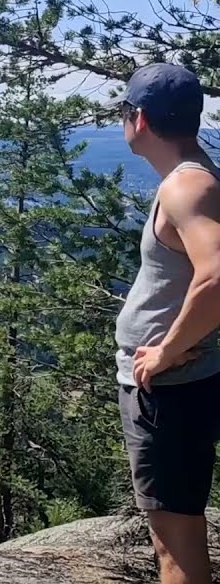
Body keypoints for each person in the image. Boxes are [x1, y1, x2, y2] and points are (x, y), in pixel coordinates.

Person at [114, 62, 220, 584]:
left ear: (140, 119)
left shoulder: (187, 188)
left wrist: (167, 351)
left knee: (175, 548)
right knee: (178, 535)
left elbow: (217, 276)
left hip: (171, 390)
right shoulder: (200, 180)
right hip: (182, 385)